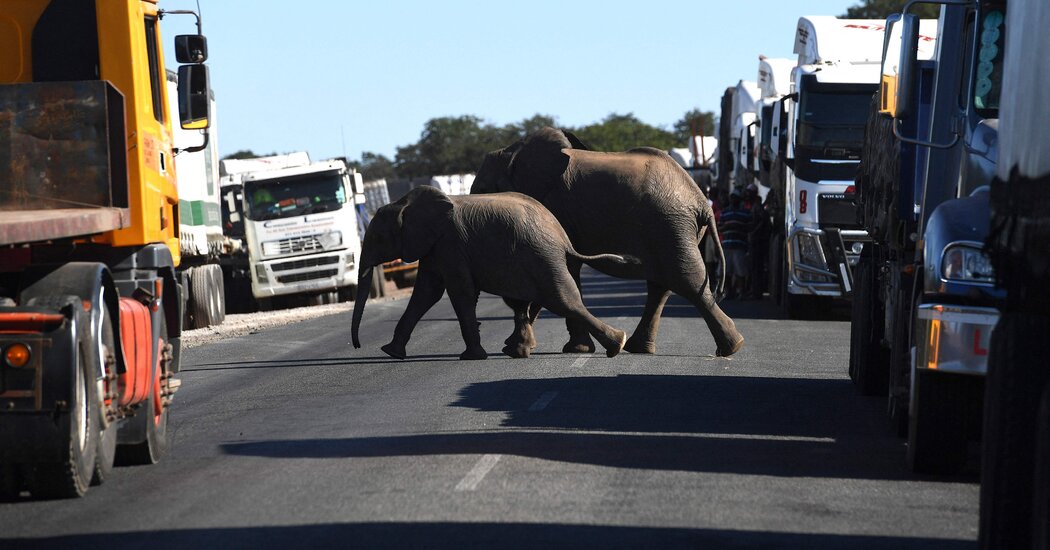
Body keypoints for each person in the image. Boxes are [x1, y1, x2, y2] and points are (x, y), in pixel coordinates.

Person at [718, 187, 752, 299]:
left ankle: (741, 292)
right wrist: (727, 226)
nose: (733, 200)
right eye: (732, 198)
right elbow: (719, 228)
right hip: (727, 245)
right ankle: (729, 292)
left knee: (740, 271)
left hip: (739, 246)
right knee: (726, 270)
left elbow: (750, 227)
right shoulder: (724, 212)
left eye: (735, 198)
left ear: (739, 199)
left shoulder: (745, 213)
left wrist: (738, 226)